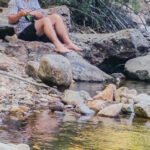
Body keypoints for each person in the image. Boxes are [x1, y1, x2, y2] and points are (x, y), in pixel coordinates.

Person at [8, 0, 82, 53]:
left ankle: (68, 43)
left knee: (56, 17)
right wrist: (20, 14)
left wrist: (36, 14)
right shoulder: (14, 2)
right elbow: (10, 20)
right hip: (23, 32)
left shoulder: (33, 1)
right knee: (45, 20)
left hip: (34, 28)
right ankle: (58, 45)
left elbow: (41, 15)